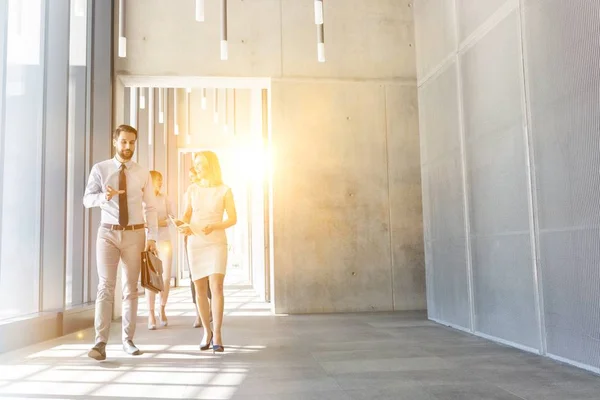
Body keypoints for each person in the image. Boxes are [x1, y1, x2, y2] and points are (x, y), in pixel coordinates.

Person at [83, 124, 158, 361]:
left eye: (132, 142)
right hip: (107, 233)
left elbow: (151, 207)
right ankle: (100, 343)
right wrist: (104, 197)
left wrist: (153, 237)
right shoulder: (100, 169)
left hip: (135, 235)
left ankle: (128, 340)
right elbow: (87, 200)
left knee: (131, 289)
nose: (128, 147)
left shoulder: (142, 172)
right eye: (124, 142)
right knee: (105, 287)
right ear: (115, 141)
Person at [178, 151, 237, 352]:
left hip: (216, 242)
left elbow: (233, 218)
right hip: (195, 242)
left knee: (217, 287)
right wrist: (182, 226)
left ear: (211, 165)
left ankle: (218, 333)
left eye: (202, 163)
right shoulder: (192, 190)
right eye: (196, 164)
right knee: (200, 290)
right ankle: (206, 331)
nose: (198, 167)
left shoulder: (224, 190)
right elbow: (186, 215)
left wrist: (215, 226)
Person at [146, 170, 173, 330]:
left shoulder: (165, 198)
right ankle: (150, 314)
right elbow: (143, 220)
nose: (160, 183)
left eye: (161, 180)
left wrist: (163, 221)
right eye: (158, 180)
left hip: (165, 241)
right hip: (150, 243)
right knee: (151, 280)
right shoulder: (143, 199)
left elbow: (171, 217)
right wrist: (155, 222)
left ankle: (162, 309)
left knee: (166, 278)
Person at [186, 167, 212, 328]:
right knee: (194, 278)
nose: (192, 180)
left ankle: (210, 310)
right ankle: (198, 313)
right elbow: (185, 214)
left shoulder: (209, 192)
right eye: (189, 177)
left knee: (210, 277)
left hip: (208, 239)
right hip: (191, 238)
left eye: (194, 176)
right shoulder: (189, 192)